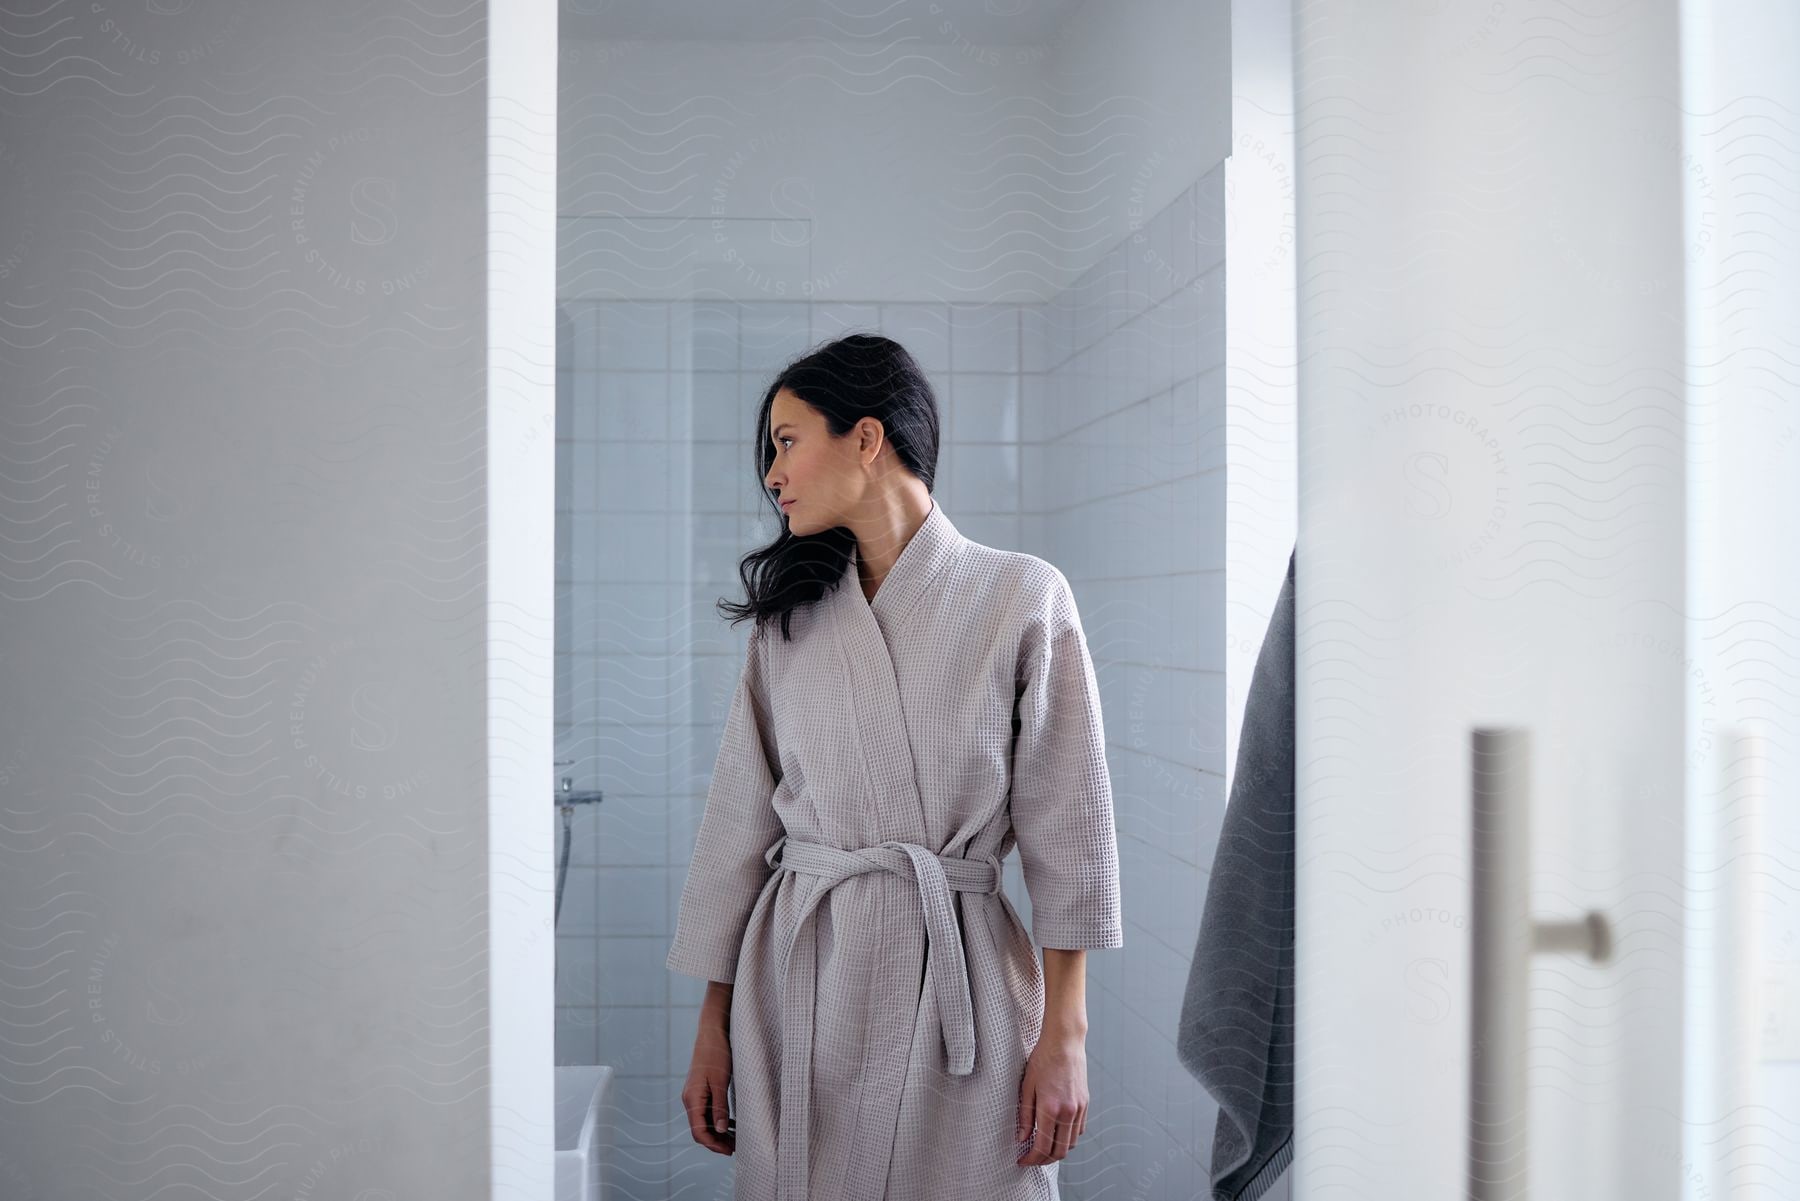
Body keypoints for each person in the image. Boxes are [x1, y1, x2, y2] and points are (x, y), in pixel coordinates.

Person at [666, 333, 1124, 1201]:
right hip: (801, 985)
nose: (772, 471)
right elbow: (736, 827)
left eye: (788, 439)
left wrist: (1066, 1033)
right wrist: (712, 1024)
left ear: (867, 438)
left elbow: (1074, 834)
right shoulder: (788, 629)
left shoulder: (1024, 598)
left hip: (965, 991)